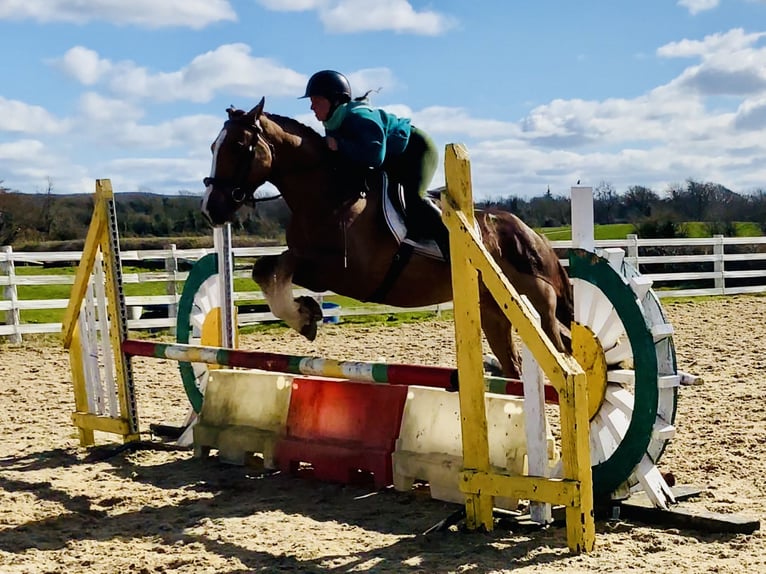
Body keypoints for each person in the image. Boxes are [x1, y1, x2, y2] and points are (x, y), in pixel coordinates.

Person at [301, 69, 450, 261]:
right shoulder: (335, 123)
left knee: (414, 198)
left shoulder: (359, 117)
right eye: (311, 102)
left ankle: (453, 247)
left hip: (416, 150)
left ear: (335, 100)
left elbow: (374, 157)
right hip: (394, 159)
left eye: (316, 101)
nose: (312, 107)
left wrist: (340, 146)